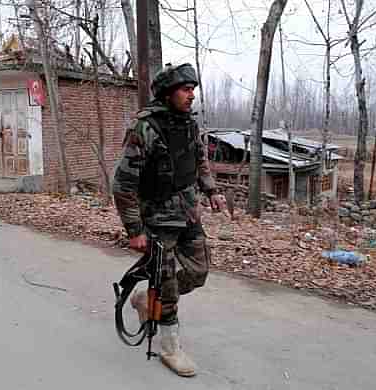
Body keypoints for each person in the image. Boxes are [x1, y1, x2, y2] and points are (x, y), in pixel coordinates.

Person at [112, 63, 226, 377]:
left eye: (193, 90)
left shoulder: (188, 124)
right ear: (168, 92)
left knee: (199, 270)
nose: (191, 96)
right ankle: (169, 347)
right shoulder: (145, 128)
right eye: (185, 90)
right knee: (168, 284)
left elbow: (199, 161)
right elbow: (122, 184)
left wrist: (212, 191)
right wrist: (134, 229)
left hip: (189, 213)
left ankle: (145, 299)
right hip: (158, 219)